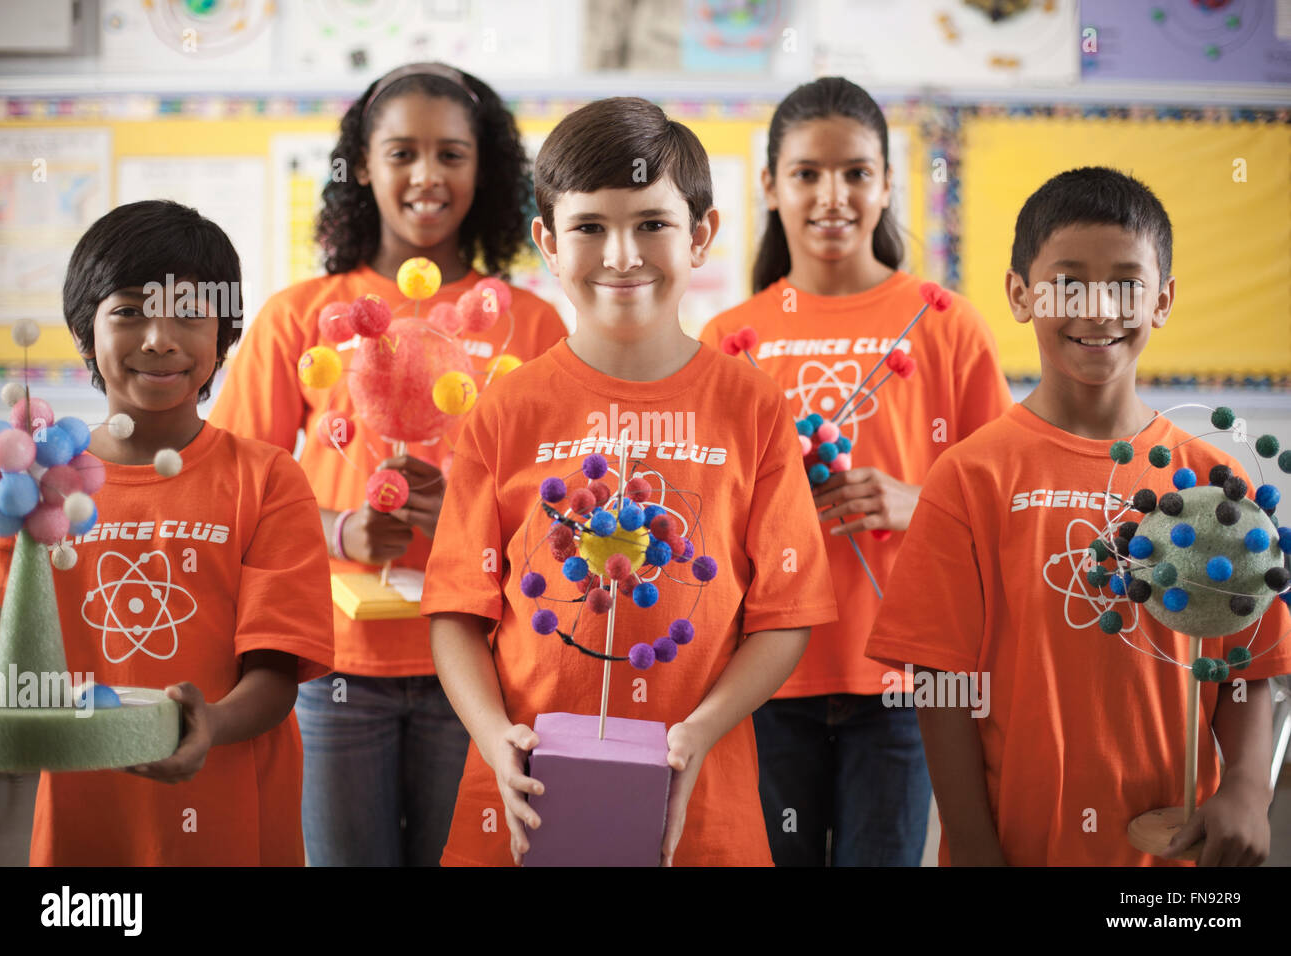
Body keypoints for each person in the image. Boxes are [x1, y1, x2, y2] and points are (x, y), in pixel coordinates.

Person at [421, 97, 839, 866]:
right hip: (520, 808)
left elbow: (786, 616)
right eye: (589, 227)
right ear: (547, 242)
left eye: (652, 223)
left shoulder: (753, 409)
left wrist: (699, 732)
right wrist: (493, 737)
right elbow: (456, 610)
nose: (621, 255)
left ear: (701, 235)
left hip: (704, 814)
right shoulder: (506, 410)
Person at [866, 166, 1291, 866]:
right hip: (1019, 847)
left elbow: (1247, 661)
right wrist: (971, 845)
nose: (1098, 309)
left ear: (1163, 301)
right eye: (1068, 280)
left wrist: (1247, 786)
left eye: (1126, 281)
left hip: (1180, 854)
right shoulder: (970, 477)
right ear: (1020, 294)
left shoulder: (1217, 480)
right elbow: (940, 684)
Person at [208, 62, 565, 866]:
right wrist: (336, 528)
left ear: (487, 168)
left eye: (452, 154)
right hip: (332, 672)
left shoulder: (532, 327)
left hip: (478, 673)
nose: (427, 176)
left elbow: (564, 515)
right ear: (362, 166)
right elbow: (231, 493)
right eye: (402, 152)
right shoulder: (300, 317)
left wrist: (474, 526)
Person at [700, 76, 1011, 866]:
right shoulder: (729, 336)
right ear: (769, 185)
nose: (831, 195)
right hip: (765, 675)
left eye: (855, 173)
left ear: (884, 184)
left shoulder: (944, 323)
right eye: (806, 173)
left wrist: (919, 501)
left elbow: (1008, 502)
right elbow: (700, 510)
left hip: (902, 682)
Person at [0, 199, 334, 865]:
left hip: (230, 824)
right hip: (75, 829)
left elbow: (276, 668)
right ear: (84, 332)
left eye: (188, 314)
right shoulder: (33, 484)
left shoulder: (267, 479)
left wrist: (210, 725)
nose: (158, 337)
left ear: (224, 337)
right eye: (128, 311)